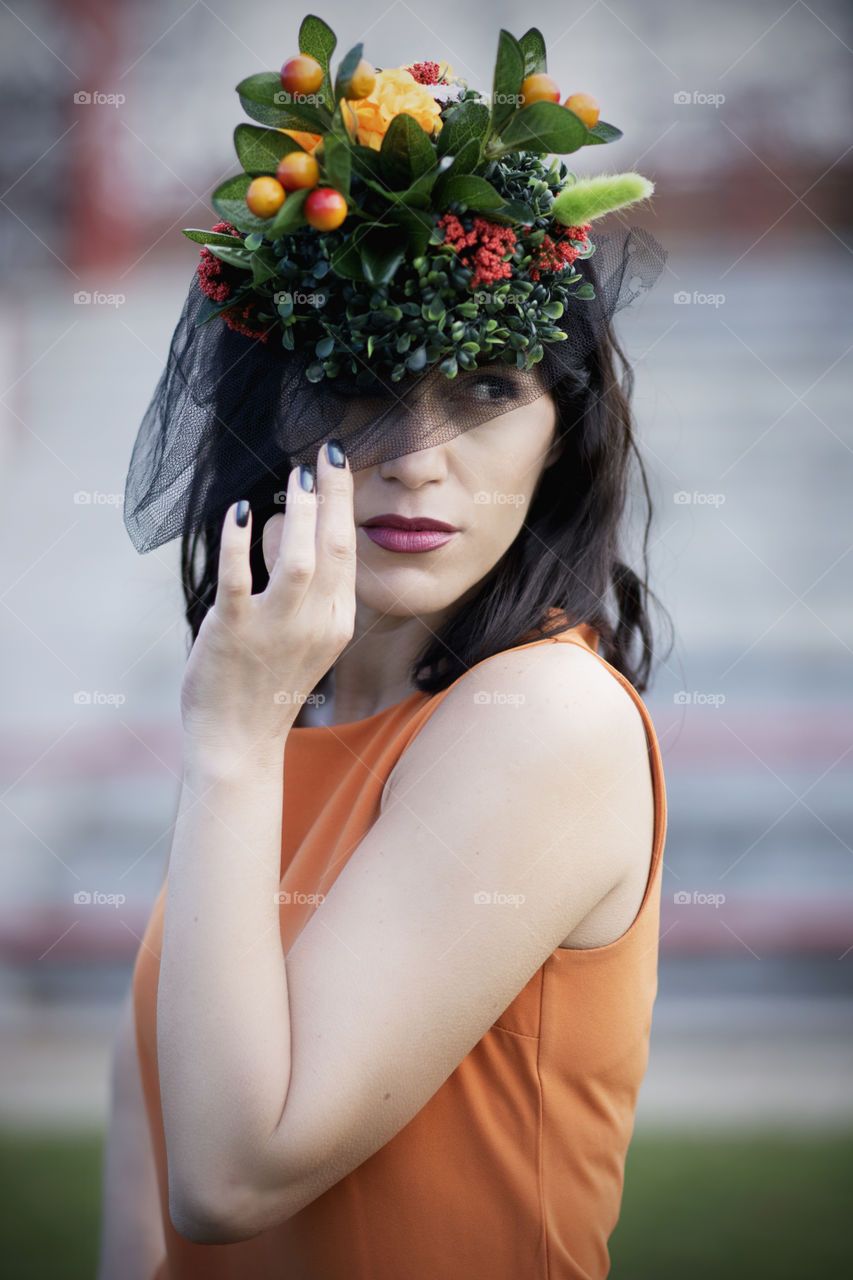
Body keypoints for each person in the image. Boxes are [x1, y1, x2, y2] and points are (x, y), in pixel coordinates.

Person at [98, 16, 671, 1279]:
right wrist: (249, 737)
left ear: (559, 433)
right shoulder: (282, 716)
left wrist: (231, 747)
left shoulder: (543, 722)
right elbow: (146, 1173)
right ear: (278, 412)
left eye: (483, 388)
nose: (416, 454)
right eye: (360, 382)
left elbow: (228, 1176)